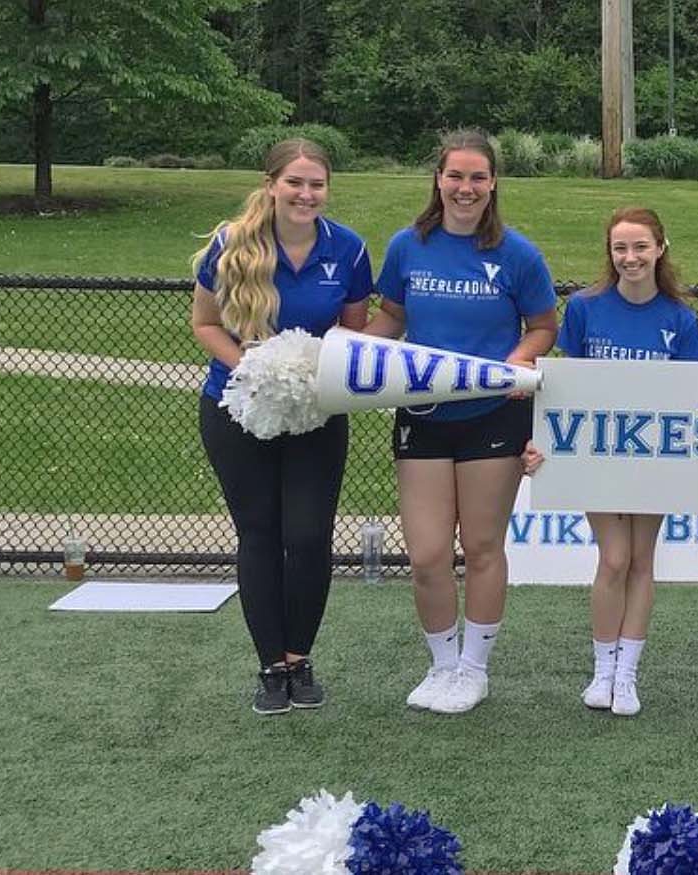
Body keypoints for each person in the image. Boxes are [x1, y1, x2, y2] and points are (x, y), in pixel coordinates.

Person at [365, 129, 558, 715]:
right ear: (438, 180)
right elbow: (391, 318)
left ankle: (474, 668)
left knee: (480, 547)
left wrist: (515, 363)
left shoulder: (517, 254)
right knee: (425, 555)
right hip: (422, 414)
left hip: (492, 417)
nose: (465, 188)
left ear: (493, 183)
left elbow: (543, 325)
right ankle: (442, 665)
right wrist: (337, 354)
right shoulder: (407, 246)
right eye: (455, 176)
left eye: (477, 177)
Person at [190, 138, 373, 715]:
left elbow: (351, 336)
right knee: (261, 535)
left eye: (316, 184)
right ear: (271, 185)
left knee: (308, 535)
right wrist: (255, 367)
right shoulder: (231, 244)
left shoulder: (348, 249)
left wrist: (312, 376)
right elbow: (204, 323)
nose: (305, 194)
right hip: (237, 409)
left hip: (316, 415)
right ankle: (271, 667)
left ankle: (301, 657)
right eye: (294, 182)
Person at [530, 206, 698, 717]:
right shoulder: (586, 307)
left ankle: (627, 676)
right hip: (599, 457)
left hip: (654, 460)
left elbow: (693, 398)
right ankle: (602, 670)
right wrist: (546, 440)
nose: (630, 258)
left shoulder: (681, 318)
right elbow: (567, 385)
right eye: (620, 248)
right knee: (613, 558)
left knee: (642, 560)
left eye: (640, 247)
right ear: (610, 253)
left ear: (660, 248)